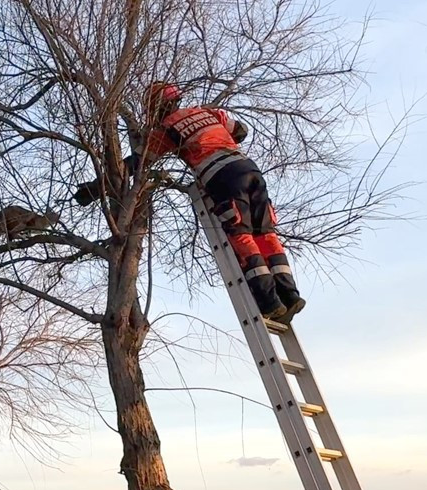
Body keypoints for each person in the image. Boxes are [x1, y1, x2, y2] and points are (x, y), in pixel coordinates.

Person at [125, 81, 306, 322]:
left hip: (222, 177)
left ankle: (269, 302)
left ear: (155, 108)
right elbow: (240, 130)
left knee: (241, 233)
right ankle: (290, 295)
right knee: (265, 233)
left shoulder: (167, 128)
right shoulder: (207, 112)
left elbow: (139, 161)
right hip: (250, 170)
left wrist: (97, 186)